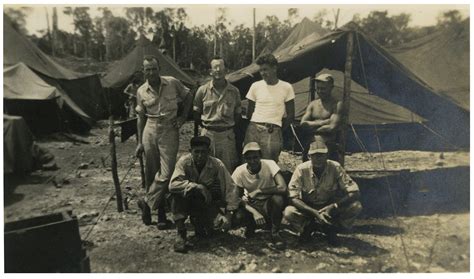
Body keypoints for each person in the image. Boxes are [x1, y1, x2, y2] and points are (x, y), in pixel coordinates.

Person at [135, 55, 193, 230]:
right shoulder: (141, 91)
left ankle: (146, 202)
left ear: (159, 69)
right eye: (148, 69)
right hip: (150, 129)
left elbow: (189, 95)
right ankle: (160, 216)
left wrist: (183, 117)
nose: (151, 72)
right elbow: (140, 118)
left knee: (167, 173)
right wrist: (139, 142)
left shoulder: (172, 82)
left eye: (154, 68)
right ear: (143, 71)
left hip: (169, 129)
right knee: (152, 172)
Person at [168, 136, 253, 253]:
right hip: (186, 201)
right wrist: (198, 186)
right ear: (190, 151)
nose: (200, 155)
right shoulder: (184, 162)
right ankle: (181, 233)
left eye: (203, 152)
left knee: (213, 230)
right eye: (196, 152)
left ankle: (200, 224)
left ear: (209, 152)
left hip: (206, 202)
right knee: (177, 195)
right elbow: (173, 185)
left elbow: (230, 188)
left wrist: (228, 214)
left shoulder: (217, 164)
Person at [282, 136, 362, 246]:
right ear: (309, 156)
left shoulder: (335, 167)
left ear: (327, 156)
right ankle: (308, 228)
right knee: (289, 212)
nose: (318, 158)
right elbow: (293, 197)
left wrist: (333, 206)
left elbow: (355, 192)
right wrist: (314, 212)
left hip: (330, 208)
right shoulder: (301, 169)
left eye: (321, 155)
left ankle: (334, 228)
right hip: (309, 209)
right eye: (315, 155)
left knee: (356, 206)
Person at [232, 142, 287, 249]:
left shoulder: (270, 164)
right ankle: (252, 224)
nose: (252, 161)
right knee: (237, 218)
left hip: (268, 202)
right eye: (249, 158)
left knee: (278, 199)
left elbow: (282, 187)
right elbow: (236, 198)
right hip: (252, 204)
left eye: (255, 157)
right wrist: (254, 212)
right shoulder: (239, 171)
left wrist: (259, 191)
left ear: (260, 156)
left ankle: (275, 232)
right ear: (244, 159)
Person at [244, 54, 295, 163]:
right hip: (253, 130)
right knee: (249, 163)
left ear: (274, 68)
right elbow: (249, 111)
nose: (263, 73)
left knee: (269, 165)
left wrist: (277, 128)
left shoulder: (286, 87)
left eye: (265, 69)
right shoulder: (255, 86)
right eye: (261, 70)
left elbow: (291, 115)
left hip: (272, 132)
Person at [193, 56, 241, 171]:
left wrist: (227, 127)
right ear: (210, 71)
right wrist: (206, 128)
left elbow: (237, 114)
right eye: (215, 67)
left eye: (221, 67)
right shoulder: (202, 90)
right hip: (208, 135)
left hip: (226, 136)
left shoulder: (234, 91)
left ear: (226, 70)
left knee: (227, 170)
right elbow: (196, 114)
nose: (218, 70)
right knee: (205, 168)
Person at [300, 73, 343, 162]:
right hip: (311, 144)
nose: (320, 91)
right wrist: (323, 122)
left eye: (323, 89)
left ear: (331, 88)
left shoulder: (336, 105)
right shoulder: (313, 104)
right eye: (318, 88)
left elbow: (332, 127)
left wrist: (311, 128)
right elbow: (303, 124)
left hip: (328, 145)